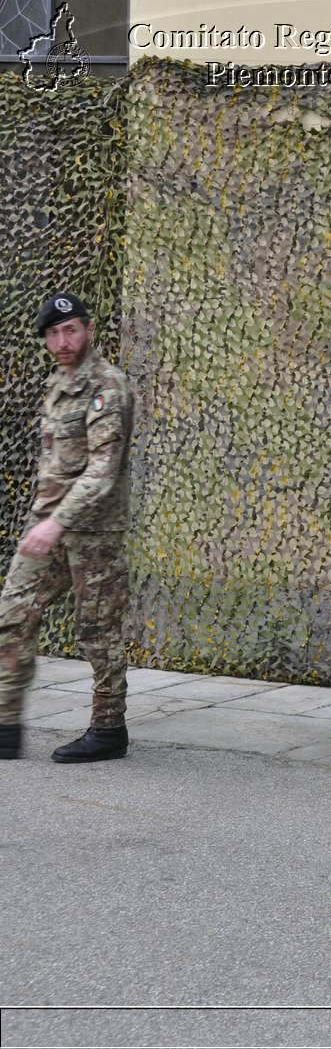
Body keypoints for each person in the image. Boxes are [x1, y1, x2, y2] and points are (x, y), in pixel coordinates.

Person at [0, 293, 135, 764]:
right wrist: (43, 521)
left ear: (88, 330)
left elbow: (103, 469)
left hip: (94, 533)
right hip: (50, 530)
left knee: (97, 630)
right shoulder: (59, 382)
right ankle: (6, 725)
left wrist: (54, 524)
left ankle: (108, 729)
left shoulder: (107, 385)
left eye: (71, 329)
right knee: (12, 612)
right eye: (54, 333)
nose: (63, 340)